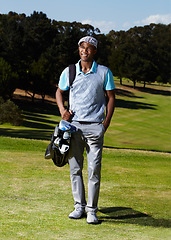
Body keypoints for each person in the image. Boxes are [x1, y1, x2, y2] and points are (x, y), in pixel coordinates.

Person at [56, 36, 115, 224]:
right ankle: (79, 207)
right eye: (82, 47)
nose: (85, 51)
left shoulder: (105, 72)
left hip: (95, 128)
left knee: (94, 170)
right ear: (79, 49)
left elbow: (111, 98)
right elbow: (59, 91)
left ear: (94, 51)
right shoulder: (70, 71)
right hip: (74, 127)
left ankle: (91, 210)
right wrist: (63, 111)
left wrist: (105, 124)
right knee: (75, 168)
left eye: (89, 48)